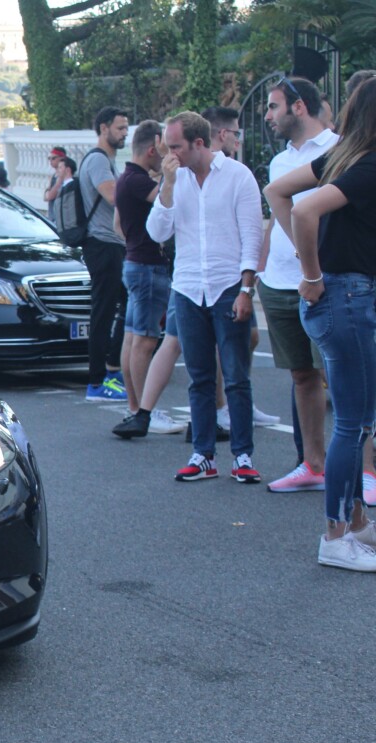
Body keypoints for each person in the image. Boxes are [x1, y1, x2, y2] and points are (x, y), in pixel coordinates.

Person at [264, 77, 376, 570]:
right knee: (353, 423)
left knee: (356, 421)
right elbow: (303, 206)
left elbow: (278, 190)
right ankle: (334, 537)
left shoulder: (346, 158)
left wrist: (312, 267)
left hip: (344, 297)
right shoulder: (366, 164)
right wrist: (312, 272)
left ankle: (356, 525)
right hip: (346, 297)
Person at [147, 111, 263, 484]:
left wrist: (246, 288)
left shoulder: (237, 176)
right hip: (187, 287)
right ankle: (203, 454)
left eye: (176, 146)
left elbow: (251, 235)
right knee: (198, 377)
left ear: (200, 143)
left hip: (227, 285)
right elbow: (156, 232)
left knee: (235, 376)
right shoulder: (175, 179)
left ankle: (242, 455)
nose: (170, 153)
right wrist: (165, 186)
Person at [256, 78, 338, 493]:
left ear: (299, 107)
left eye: (273, 107)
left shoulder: (339, 151)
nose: (268, 116)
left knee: (342, 378)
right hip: (279, 285)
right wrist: (257, 275)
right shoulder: (280, 162)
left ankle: (366, 469)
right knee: (303, 378)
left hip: (324, 283)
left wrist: (318, 272)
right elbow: (275, 220)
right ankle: (313, 465)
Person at [202, 105, 278, 433]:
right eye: (235, 132)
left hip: (237, 272)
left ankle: (235, 403)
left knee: (250, 337)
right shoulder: (202, 171)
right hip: (210, 278)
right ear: (222, 134)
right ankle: (222, 408)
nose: (238, 138)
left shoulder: (235, 172)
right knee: (220, 345)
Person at [110, 121, 172, 437]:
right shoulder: (137, 181)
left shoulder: (125, 179)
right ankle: (144, 411)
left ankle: (136, 408)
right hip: (147, 266)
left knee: (133, 337)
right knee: (145, 340)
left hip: (135, 261)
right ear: (152, 149)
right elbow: (167, 200)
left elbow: (118, 223)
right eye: (162, 151)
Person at [80, 106, 131, 402]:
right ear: (103, 128)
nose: (124, 133)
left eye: (126, 128)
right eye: (120, 128)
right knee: (103, 311)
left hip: (112, 243)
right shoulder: (98, 160)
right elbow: (114, 195)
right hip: (101, 244)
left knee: (126, 303)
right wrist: (137, 182)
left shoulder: (108, 159)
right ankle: (97, 381)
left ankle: (111, 369)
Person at [43, 146, 69, 220]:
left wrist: (49, 191)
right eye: (49, 158)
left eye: (53, 158)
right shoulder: (54, 176)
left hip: (61, 218)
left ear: (61, 158)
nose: (51, 161)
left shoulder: (64, 176)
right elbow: (45, 197)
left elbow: (50, 195)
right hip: (52, 216)